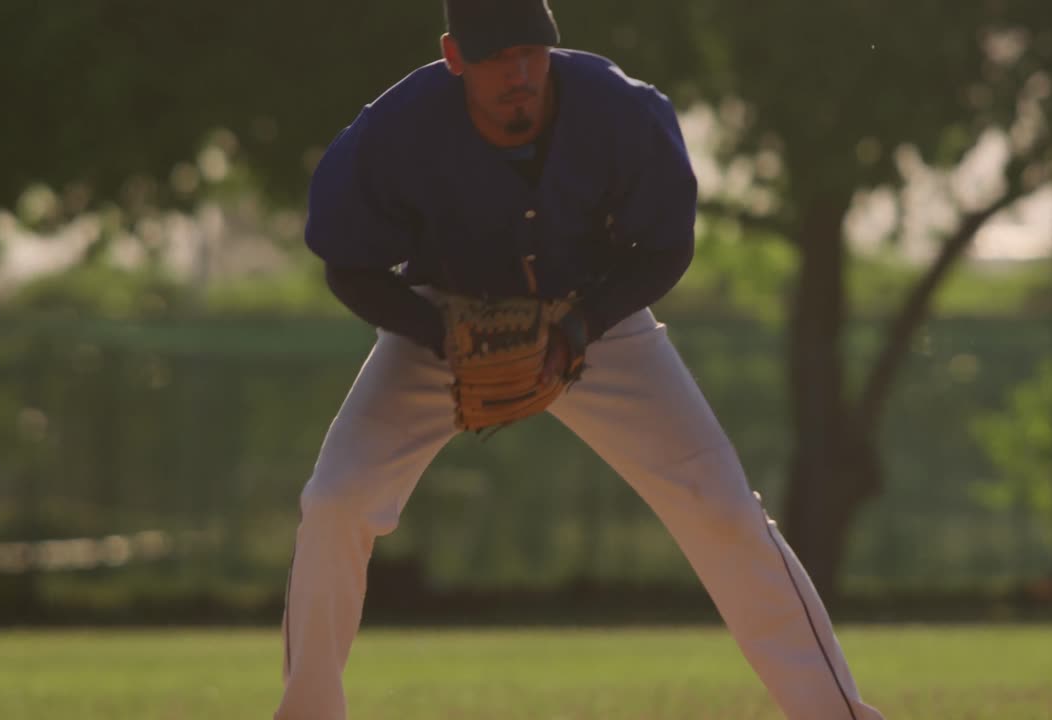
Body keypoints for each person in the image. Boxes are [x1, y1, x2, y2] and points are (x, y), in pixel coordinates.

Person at [275, 1, 886, 718]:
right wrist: (439, 335)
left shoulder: (618, 110)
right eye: (499, 56)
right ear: (454, 56)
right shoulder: (395, 130)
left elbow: (667, 245)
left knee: (721, 508)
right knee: (335, 501)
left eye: (532, 51)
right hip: (443, 315)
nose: (521, 72)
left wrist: (584, 324)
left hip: (593, 314)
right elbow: (347, 264)